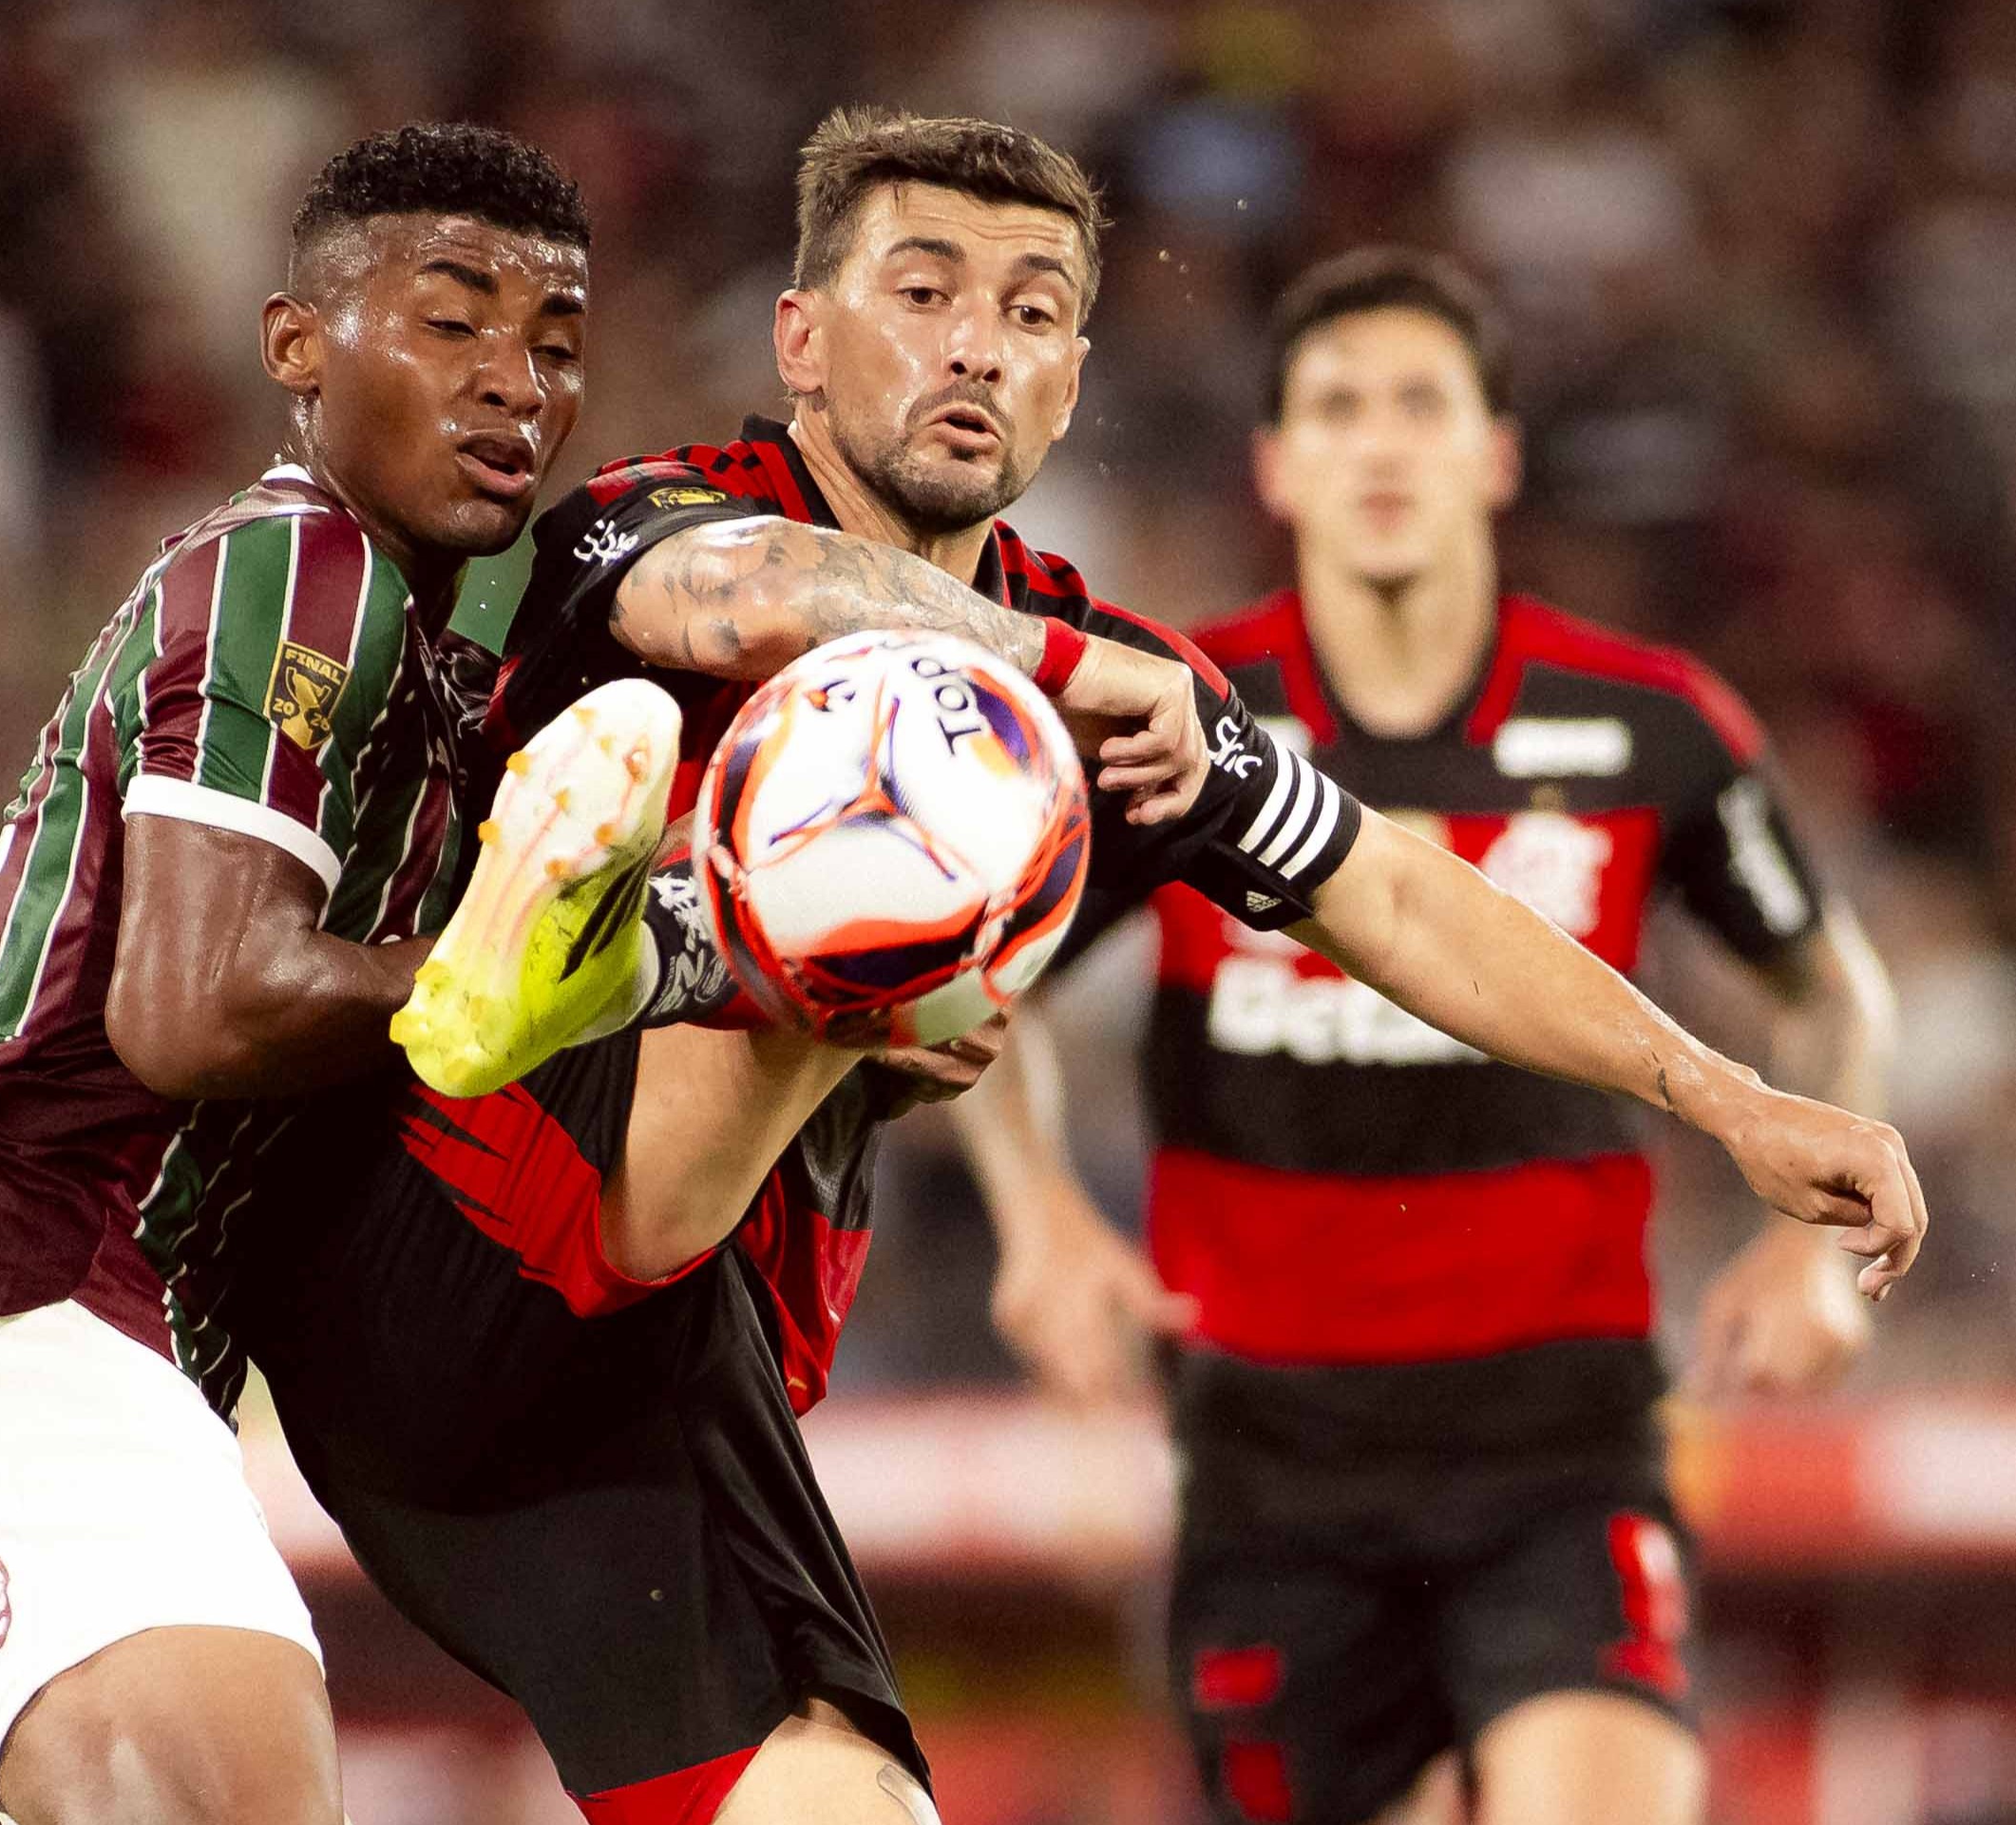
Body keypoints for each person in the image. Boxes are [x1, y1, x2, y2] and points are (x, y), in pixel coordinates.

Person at [231, 111, 1924, 1825]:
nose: (978, 340)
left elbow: (1394, 901)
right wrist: (1040, 674)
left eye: (1033, 311)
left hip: (652, 1393)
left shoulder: (1134, 703)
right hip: (425, 1237)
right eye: (924, 289)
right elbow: (743, 606)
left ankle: (800, 971)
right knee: (895, 747)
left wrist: (1725, 1098)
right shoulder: (649, 521)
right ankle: (675, 954)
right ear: (800, 341)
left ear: (1072, 379)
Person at [0, 124, 681, 1825]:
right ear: (294, 347)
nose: (513, 387)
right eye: (451, 322)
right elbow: (195, 1005)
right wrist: (562, 964)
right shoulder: (294, 562)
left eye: (554, 347)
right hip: (1, 1327)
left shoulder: (427, 653)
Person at [957, 246, 1900, 1825]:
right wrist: (1038, 1216)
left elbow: (1833, 986)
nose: (1378, 443)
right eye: (1334, 407)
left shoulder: (1647, 724)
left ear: (1495, 451)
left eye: (1418, 403)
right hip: (1267, 1459)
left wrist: (1803, 1247)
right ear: (1274, 462)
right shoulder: (1173, 719)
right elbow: (989, 981)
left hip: (1564, 1440)